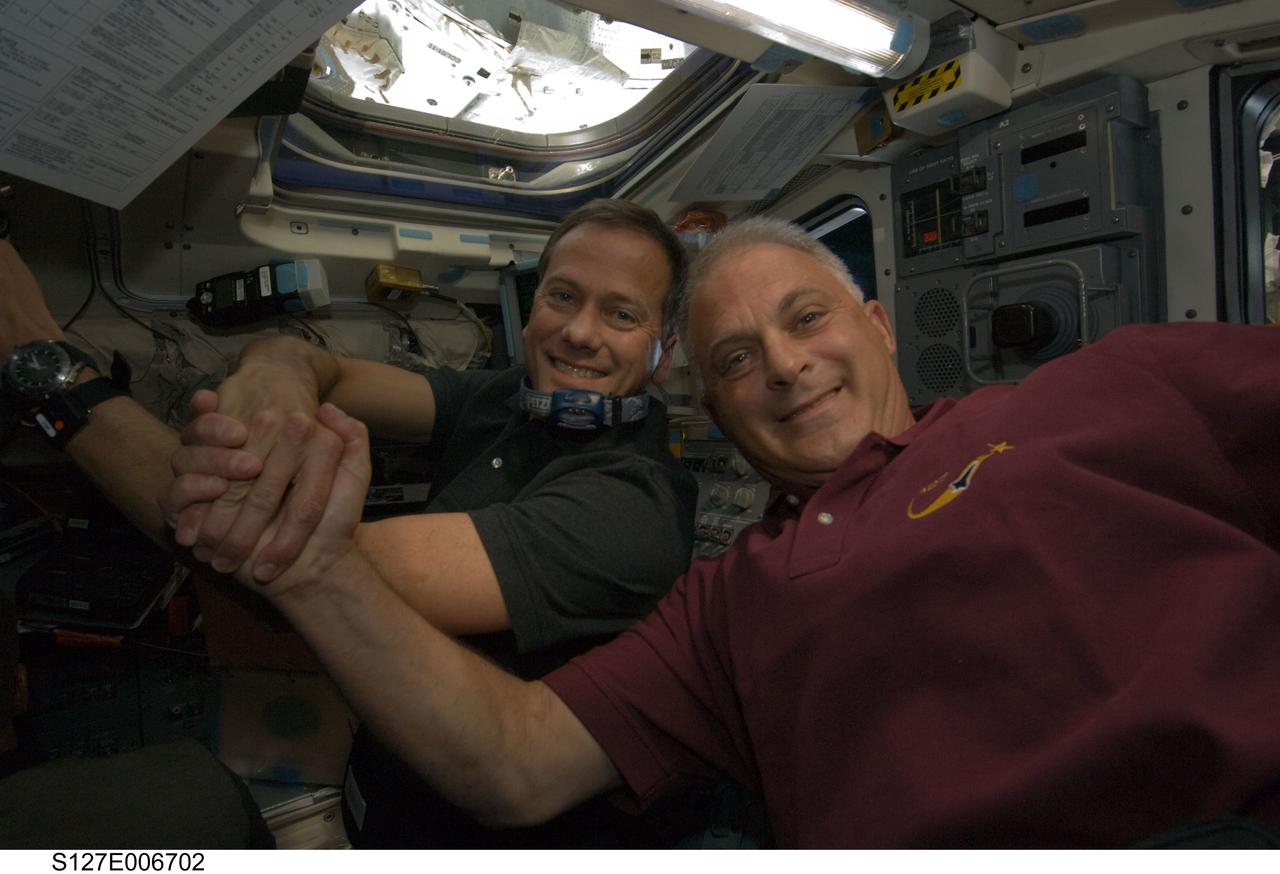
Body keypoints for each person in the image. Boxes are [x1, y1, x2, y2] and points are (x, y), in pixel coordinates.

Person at [169, 214, 1280, 847]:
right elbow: (510, 759)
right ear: (708, 400)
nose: (783, 365)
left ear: (878, 327)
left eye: (805, 319)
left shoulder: (1099, 388)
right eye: (736, 359)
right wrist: (309, 563)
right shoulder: (732, 605)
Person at [0, 199, 700, 847]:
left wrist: (44, 367)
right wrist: (279, 371)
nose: (578, 333)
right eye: (562, 297)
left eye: (621, 315)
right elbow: (324, 367)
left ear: (663, 350)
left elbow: (263, 552)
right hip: (384, 773)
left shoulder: (632, 508)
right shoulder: (512, 398)